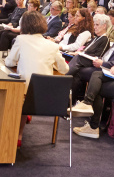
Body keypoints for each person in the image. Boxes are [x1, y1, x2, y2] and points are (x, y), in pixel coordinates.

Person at [5, 10, 69, 146]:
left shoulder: (21, 40)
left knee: (21, 91)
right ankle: (24, 122)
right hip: (47, 96)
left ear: (24, 25)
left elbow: (9, 62)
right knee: (27, 93)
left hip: (24, 93)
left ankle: (18, 134)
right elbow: (65, 69)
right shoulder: (53, 46)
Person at [67, 13, 111, 101]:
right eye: (94, 25)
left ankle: (64, 76)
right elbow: (85, 49)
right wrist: (79, 52)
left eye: (97, 25)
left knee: (78, 58)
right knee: (73, 65)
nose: (94, 27)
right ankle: (70, 101)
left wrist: (81, 54)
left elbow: (99, 56)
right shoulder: (95, 38)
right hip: (84, 59)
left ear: (104, 26)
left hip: (92, 62)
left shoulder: (105, 39)